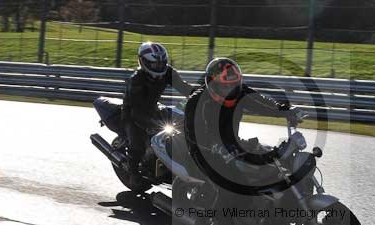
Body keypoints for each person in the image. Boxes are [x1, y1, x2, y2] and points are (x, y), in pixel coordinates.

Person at [183, 57, 302, 196]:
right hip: (205, 152)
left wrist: (286, 111)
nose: (231, 90)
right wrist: (217, 146)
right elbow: (197, 134)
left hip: (233, 146)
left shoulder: (241, 93)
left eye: (234, 85)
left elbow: (261, 103)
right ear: (212, 84)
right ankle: (218, 217)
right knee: (234, 186)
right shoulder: (197, 102)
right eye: (225, 86)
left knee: (272, 167)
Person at [121, 41, 194, 188]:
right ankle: (133, 173)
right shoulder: (136, 80)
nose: (159, 67)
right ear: (143, 61)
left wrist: (200, 96)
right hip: (133, 114)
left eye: (162, 63)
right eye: (155, 64)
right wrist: (155, 126)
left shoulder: (167, 72)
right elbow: (137, 111)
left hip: (154, 108)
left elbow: (185, 88)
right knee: (138, 145)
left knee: (184, 124)